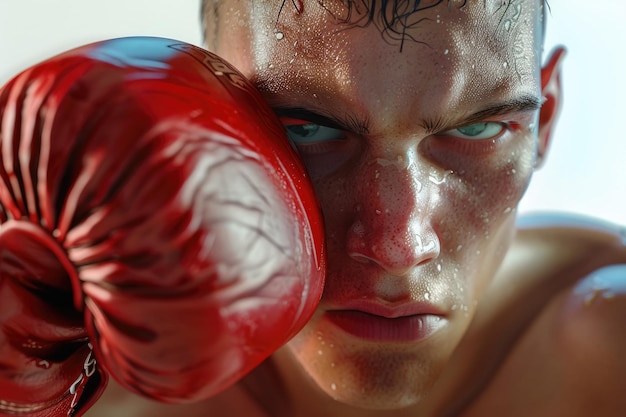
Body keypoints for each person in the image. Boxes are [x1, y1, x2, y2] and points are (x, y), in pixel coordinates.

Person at [82, 0, 625, 415]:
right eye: (307, 129)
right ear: (204, 121)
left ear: (543, 125)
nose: (398, 248)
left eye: (477, 128)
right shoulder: (86, 370)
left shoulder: (609, 345)